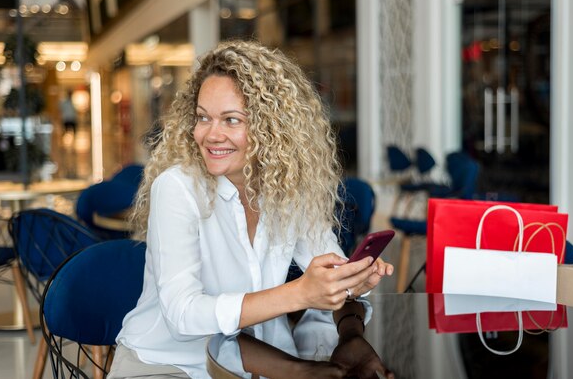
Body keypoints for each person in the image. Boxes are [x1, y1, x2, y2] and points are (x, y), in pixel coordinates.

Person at [108, 40, 394, 379]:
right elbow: (182, 316)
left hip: (261, 362)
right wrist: (299, 292)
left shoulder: (288, 188)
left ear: (270, 128)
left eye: (231, 120)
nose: (211, 135)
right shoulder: (177, 188)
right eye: (203, 118)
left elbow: (329, 267)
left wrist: (353, 279)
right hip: (170, 365)